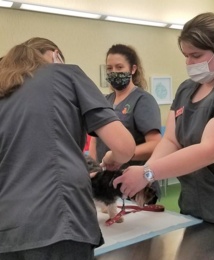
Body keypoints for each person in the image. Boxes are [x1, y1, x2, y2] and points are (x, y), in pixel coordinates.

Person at [113, 12, 214, 231]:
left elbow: (211, 150)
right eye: (186, 55)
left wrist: (148, 173)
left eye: (196, 55)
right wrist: (147, 172)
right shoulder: (187, 89)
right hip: (195, 208)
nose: (189, 63)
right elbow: (171, 140)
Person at [0, 37, 135, 260]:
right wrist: (112, 157)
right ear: (55, 55)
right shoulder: (66, 74)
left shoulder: (4, 86)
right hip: (59, 222)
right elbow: (124, 146)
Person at [89, 44, 162, 201]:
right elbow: (95, 141)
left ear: (133, 69)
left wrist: (121, 155)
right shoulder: (104, 101)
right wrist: (94, 169)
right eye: (109, 68)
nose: (114, 72)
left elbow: (156, 144)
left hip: (135, 185)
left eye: (119, 67)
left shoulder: (143, 101)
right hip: (106, 185)